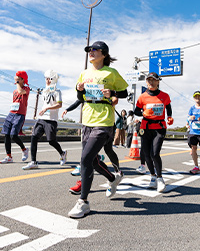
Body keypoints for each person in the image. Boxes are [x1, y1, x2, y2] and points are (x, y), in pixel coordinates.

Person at [68, 41, 128, 218]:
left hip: (104, 120)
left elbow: (124, 92)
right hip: (87, 118)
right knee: (92, 161)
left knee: (85, 158)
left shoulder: (111, 72)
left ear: (104, 53)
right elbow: (80, 97)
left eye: (94, 49)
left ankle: (83, 202)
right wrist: (79, 90)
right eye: (89, 49)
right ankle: (112, 178)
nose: (90, 52)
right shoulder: (84, 73)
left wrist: (112, 93)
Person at [134, 72, 173, 192]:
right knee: (146, 154)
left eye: (153, 80)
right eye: (148, 80)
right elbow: (136, 111)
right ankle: (152, 177)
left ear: (158, 82)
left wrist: (170, 116)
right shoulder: (142, 96)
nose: (151, 82)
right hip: (146, 127)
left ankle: (160, 178)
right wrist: (143, 113)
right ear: (146, 82)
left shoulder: (164, 95)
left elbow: (168, 107)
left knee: (154, 153)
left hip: (159, 127)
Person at [23, 70, 67, 170]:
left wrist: (47, 108)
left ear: (53, 80)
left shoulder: (57, 91)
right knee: (34, 136)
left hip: (51, 119)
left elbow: (59, 104)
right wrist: (42, 111)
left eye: (49, 79)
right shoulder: (44, 91)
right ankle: (33, 161)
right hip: (42, 118)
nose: (47, 80)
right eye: (46, 78)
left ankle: (62, 153)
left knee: (51, 141)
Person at [0, 71, 30, 163]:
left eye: (18, 78)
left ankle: (24, 149)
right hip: (11, 113)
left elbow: (21, 91)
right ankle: (9, 156)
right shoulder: (14, 91)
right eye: (16, 77)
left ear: (22, 80)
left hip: (20, 114)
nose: (16, 79)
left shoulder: (26, 88)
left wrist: (18, 84)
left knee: (13, 135)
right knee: (7, 135)